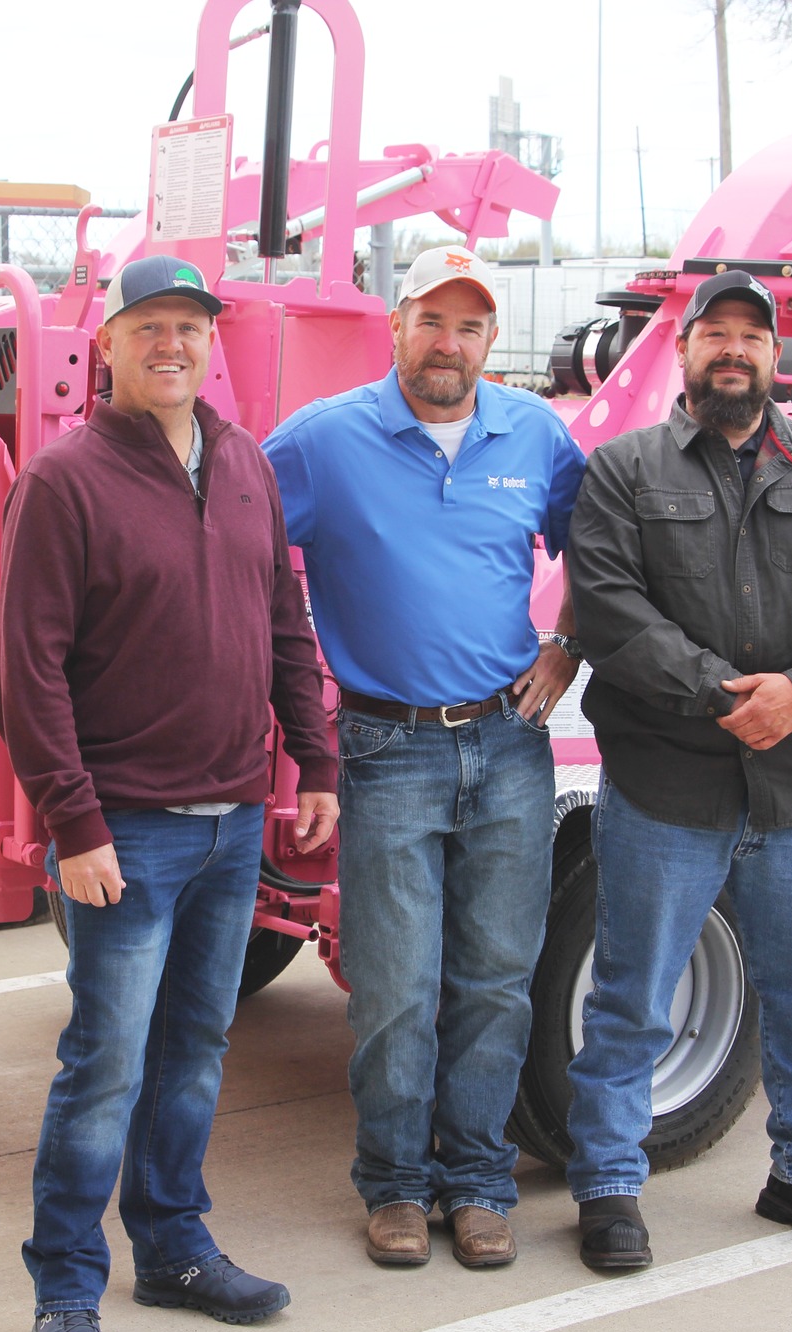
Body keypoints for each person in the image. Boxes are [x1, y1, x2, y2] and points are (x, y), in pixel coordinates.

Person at [0, 254, 339, 1332]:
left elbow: (283, 622)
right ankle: (64, 1291)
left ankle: (175, 1248)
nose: (171, 346)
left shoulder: (243, 463)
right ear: (106, 345)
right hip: (127, 829)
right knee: (105, 1060)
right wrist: (74, 825)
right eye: (147, 328)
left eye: (190, 328)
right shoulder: (64, 481)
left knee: (194, 1046)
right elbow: (28, 674)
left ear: (211, 344)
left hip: (235, 817)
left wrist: (314, 763)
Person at [562, 269, 792, 1271]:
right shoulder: (624, 471)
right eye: (711, 332)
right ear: (681, 352)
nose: (730, 349)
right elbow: (613, 613)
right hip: (668, 789)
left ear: (773, 356)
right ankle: (607, 1185)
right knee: (632, 993)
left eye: (747, 336)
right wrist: (729, 697)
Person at [264, 245, 586, 1270]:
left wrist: (568, 644)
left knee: (494, 980)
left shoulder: (533, 433)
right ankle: (396, 1186)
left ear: (492, 340)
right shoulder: (321, 443)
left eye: (470, 325)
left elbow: (604, 549)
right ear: (394, 324)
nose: (448, 343)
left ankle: (479, 1181)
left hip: (508, 745)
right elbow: (224, 531)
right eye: (430, 320)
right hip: (385, 746)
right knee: (397, 986)